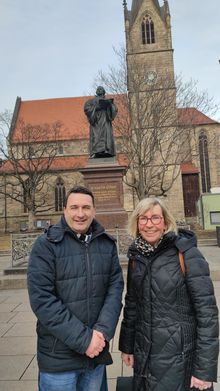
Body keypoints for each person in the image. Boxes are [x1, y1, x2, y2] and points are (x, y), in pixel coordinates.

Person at [27, 185, 124, 391]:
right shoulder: (46, 245)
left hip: (95, 354)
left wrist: (102, 333)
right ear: (64, 210)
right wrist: (85, 340)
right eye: (74, 207)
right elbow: (42, 300)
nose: (80, 214)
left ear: (94, 211)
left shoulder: (106, 245)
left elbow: (115, 290)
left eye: (86, 207)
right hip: (58, 358)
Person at [119, 197, 219, 391]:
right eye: (144, 219)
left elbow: (207, 314)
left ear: (165, 222)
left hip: (179, 359)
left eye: (155, 218)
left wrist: (204, 369)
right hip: (144, 356)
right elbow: (132, 305)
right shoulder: (136, 257)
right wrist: (127, 345)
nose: (149, 224)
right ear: (137, 223)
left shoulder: (187, 254)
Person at [84, 86, 118, 158]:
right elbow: (86, 109)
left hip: (105, 121)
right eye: (98, 89)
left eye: (101, 89)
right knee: (96, 137)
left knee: (106, 136)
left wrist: (110, 105)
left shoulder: (107, 100)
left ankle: (107, 151)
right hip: (96, 123)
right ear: (96, 92)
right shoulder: (91, 101)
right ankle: (96, 152)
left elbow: (115, 109)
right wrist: (97, 107)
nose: (99, 90)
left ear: (104, 92)